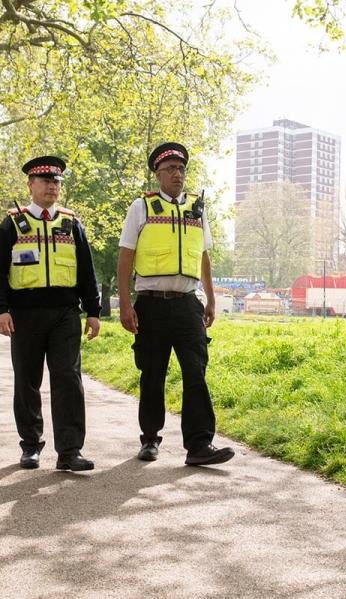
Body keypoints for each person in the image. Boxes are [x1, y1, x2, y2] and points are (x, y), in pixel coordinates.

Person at [116, 142, 234, 467]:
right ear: (157, 174)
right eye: (170, 169)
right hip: (151, 305)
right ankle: (150, 438)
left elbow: (204, 256)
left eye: (181, 169)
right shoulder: (141, 207)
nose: (177, 174)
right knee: (152, 373)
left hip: (187, 305)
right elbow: (125, 257)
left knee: (196, 372)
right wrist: (125, 304)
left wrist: (210, 298)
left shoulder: (197, 209)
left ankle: (199, 445)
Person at [0, 155, 101, 471]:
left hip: (65, 314)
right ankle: (30, 446)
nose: (52, 186)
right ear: (31, 185)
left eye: (56, 182)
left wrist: (93, 311)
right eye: (46, 181)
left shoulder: (71, 223)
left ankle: (69, 451)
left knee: (68, 379)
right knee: (27, 380)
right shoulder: (12, 223)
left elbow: (87, 272)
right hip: (24, 315)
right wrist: (0, 310)